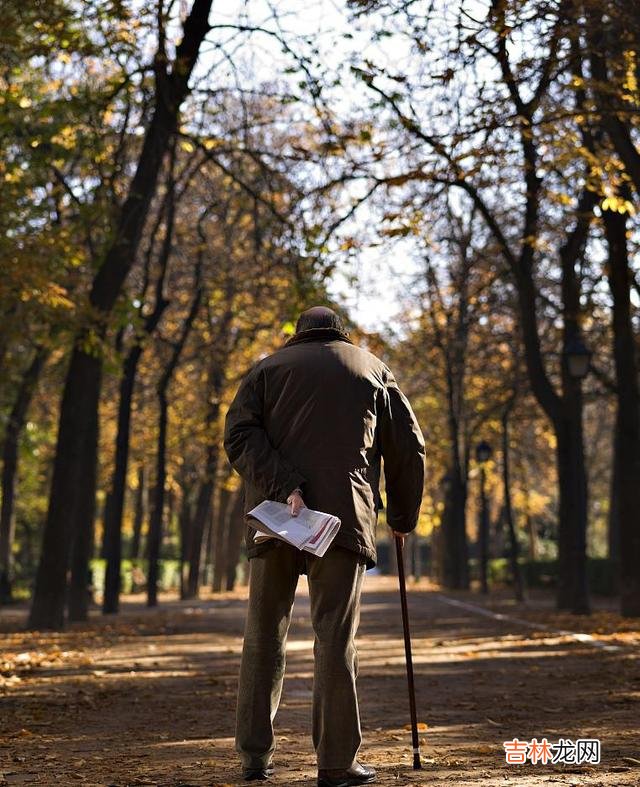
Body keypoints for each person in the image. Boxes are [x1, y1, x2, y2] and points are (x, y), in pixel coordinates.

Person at [223, 306, 425, 786]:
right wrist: (401, 516)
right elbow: (407, 448)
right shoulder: (371, 369)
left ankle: (254, 758)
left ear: (298, 334)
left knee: (263, 634)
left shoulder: (266, 370)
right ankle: (336, 763)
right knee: (335, 636)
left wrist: (283, 483)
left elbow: (238, 435)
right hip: (342, 519)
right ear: (341, 333)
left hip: (275, 519)